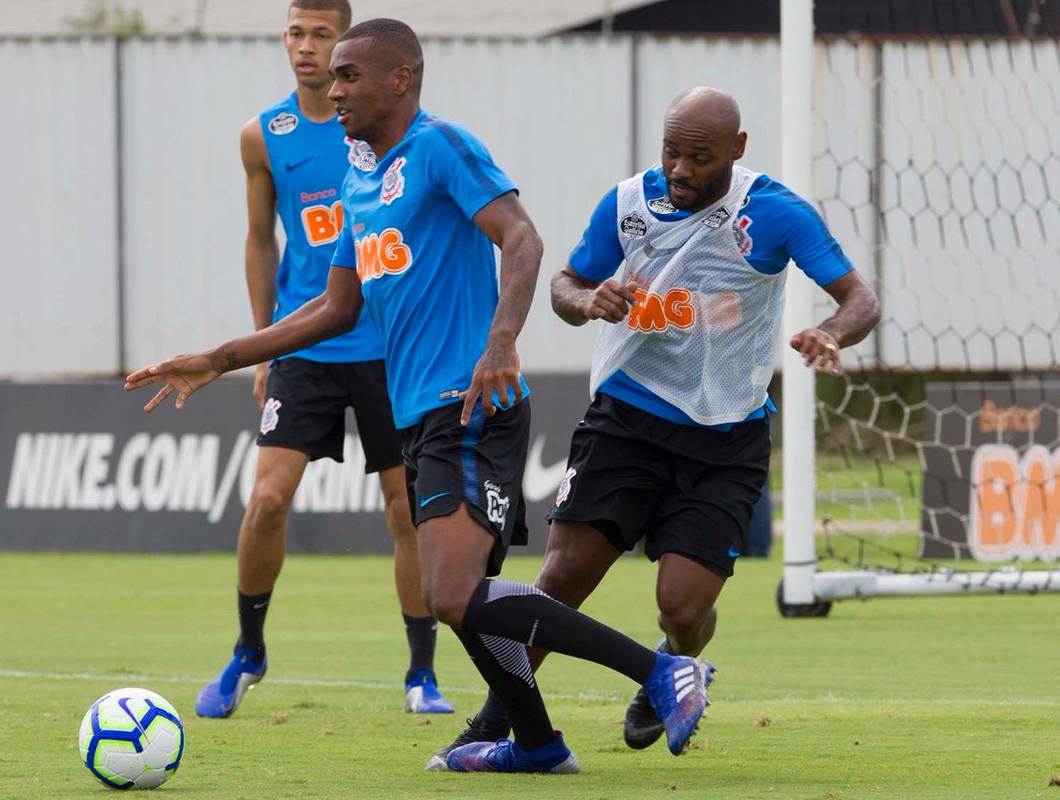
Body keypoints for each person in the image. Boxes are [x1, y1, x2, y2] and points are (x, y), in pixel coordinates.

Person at [127, 19, 712, 774]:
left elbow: (523, 239)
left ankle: (662, 673)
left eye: (348, 76)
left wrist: (500, 342)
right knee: (465, 595)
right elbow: (335, 309)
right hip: (421, 414)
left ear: (400, 79)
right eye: (330, 76)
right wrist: (222, 355)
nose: (332, 90)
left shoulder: (439, 147)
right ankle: (535, 742)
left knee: (451, 590)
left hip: (469, 402)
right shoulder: (358, 177)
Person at [431, 86, 880, 758]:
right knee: (561, 578)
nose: (680, 169)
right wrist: (589, 299)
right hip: (628, 421)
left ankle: (671, 664)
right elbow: (562, 286)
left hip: (727, 437)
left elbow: (859, 298)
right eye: (672, 151)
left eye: (699, 157)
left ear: (737, 150)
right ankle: (500, 721)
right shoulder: (627, 205)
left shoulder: (775, 214)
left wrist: (833, 333)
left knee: (684, 606)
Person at [192, 0, 453, 720]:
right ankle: (248, 650)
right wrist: (260, 346)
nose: (306, 50)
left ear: (348, 46)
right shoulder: (264, 136)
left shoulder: (382, 130)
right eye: (295, 34)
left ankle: (421, 673)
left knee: (404, 511)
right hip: (305, 341)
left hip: (385, 348)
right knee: (268, 498)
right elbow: (258, 239)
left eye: (321, 36)